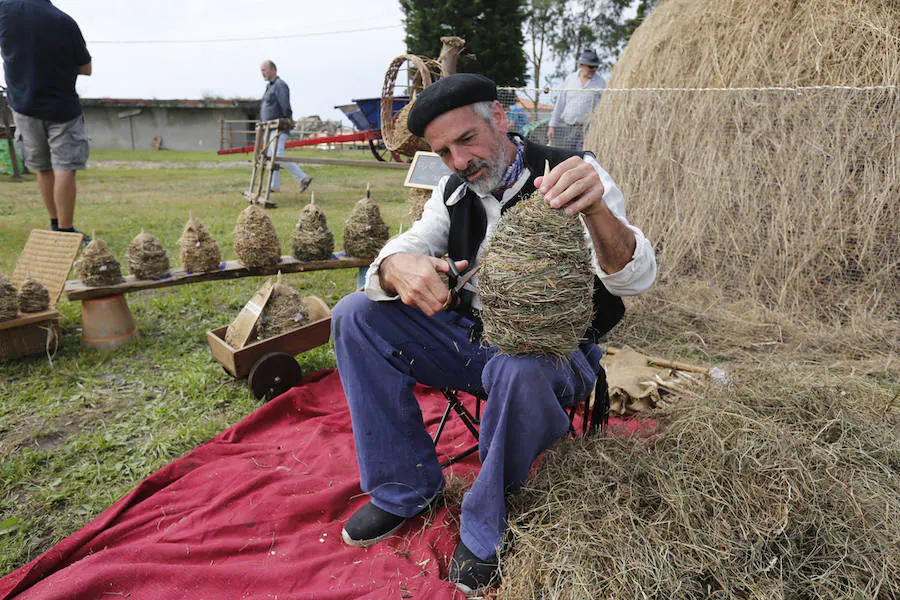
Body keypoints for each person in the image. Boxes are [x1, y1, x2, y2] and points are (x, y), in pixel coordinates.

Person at [331, 73, 657, 596]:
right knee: (355, 315)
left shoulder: (573, 174)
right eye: (444, 151)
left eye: (466, 139)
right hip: (474, 344)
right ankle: (403, 490)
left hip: (554, 355)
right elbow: (405, 246)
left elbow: (634, 276)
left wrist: (596, 211)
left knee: (520, 365)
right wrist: (397, 267)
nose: (460, 160)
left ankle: (486, 526)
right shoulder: (452, 191)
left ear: (500, 120)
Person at [0, 0, 92, 237]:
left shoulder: (4, 10)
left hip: (24, 105)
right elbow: (86, 68)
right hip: (62, 108)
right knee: (65, 167)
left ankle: (54, 223)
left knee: (43, 168)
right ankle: (65, 230)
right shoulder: (63, 20)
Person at [259, 60, 312, 201]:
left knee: (278, 156)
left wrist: (287, 120)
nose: (262, 73)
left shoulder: (280, 85)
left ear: (273, 70)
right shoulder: (269, 86)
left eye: (264, 70)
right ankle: (274, 185)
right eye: (261, 70)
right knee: (271, 156)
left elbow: (285, 105)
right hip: (270, 127)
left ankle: (303, 178)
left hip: (278, 126)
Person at [547, 49, 606, 151]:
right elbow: (560, 104)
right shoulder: (570, 80)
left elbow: (605, 106)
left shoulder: (601, 82)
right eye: (591, 66)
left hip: (589, 129)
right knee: (568, 157)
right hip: (570, 127)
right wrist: (552, 125)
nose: (594, 69)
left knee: (585, 157)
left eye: (596, 67)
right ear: (581, 65)